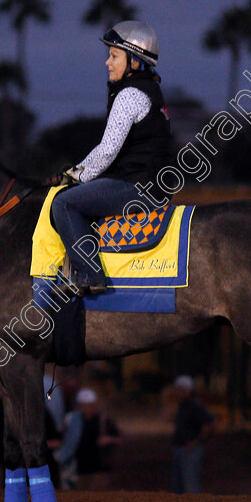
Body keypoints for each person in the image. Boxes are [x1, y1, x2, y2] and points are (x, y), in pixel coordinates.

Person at [50, 21, 173, 296]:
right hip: (153, 185)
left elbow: (107, 151)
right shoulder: (151, 91)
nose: (107, 62)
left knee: (64, 203)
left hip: (138, 187)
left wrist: (75, 175)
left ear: (135, 62)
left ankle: (90, 275)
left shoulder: (129, 95)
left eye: (114, 56)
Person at [52, 388, 121, 490]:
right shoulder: (71, 421)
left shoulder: (103, 421)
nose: (87, 409)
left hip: (99, 470)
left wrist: (109, 440)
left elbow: (118, 438)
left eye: (89, 406)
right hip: (77, 470)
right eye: (84, 406)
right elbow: (63, 440)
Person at [170, 375, 215, 494]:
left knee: (190, 485)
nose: (179, 393)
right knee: (179, 486)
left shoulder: (195, 406)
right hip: (180, 448)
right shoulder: (182, 405)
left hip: (190, 449)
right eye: (177, 390)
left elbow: (211, 424)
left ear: (189, 390)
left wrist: (197, 441)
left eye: (182, 390)